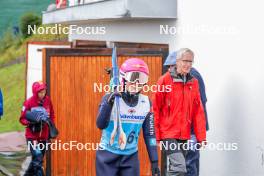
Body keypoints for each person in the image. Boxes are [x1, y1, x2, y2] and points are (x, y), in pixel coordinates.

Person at [96, 58, 160, 176]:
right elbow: (100, 125)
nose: (136, 83)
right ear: (123, 78)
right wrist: (109, 103)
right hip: (107, 156)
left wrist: (154, 161)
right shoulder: (109, 98)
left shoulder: (146, 102)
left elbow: (149, 134)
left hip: (130, 158)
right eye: (133, 77)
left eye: (141, 79)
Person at [153, 49, 207, 176]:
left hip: (184, 134)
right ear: (177, 62)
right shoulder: (164, 81)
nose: (188, 64)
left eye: (190, 61)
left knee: (176, 169)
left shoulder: (193, 82)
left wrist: (201, 136)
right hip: (168, 134)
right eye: (185, 61)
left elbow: (198, 111)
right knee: (179, 166)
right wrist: (156, 135)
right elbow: (155, 108)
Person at [19, 81, 55, 176]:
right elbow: (22, 118)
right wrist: (30, 122)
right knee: (38, 159)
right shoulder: (28, 102)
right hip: (32, 137)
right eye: (40, 92)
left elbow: (52, 115)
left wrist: (51, 126)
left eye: (44, 91)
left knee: (36, 161)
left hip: (44, 137)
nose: (42, 94)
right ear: (35, 92)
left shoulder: (48, 100)